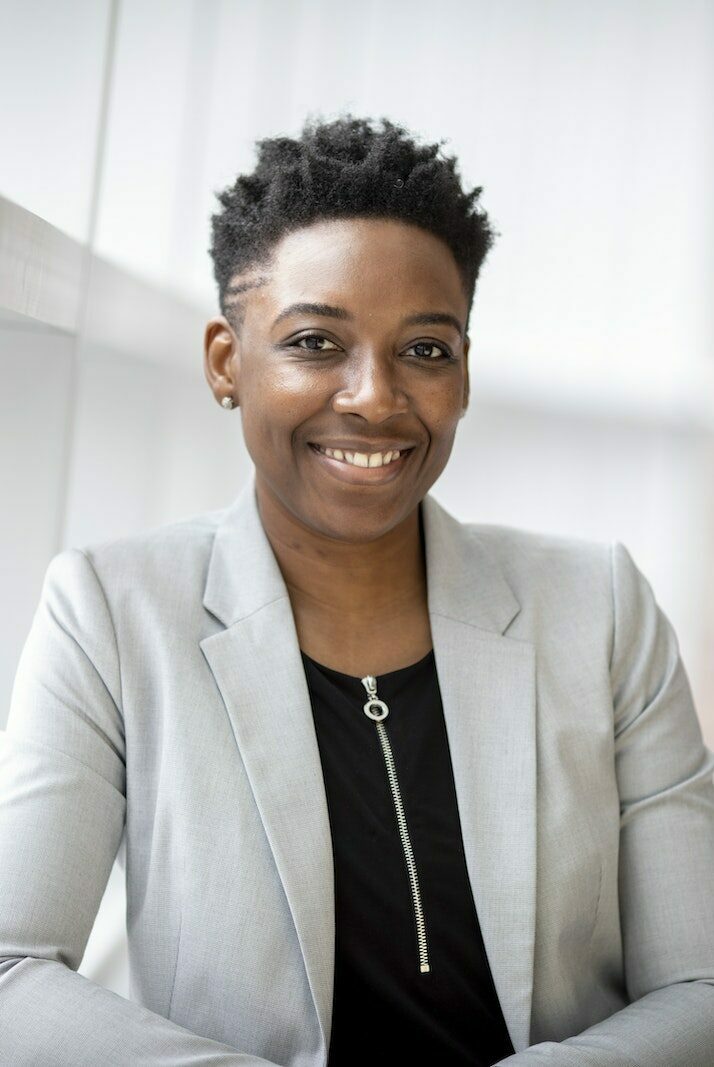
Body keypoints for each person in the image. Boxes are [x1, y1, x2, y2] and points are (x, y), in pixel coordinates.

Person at [1, 114, 713, 1066]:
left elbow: (700, 986)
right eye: (314, 342)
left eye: (425, 349)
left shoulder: (602, 608)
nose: (376, 396)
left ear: (463, 372)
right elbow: (13, 969)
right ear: (226, 360)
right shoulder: (109, 608)